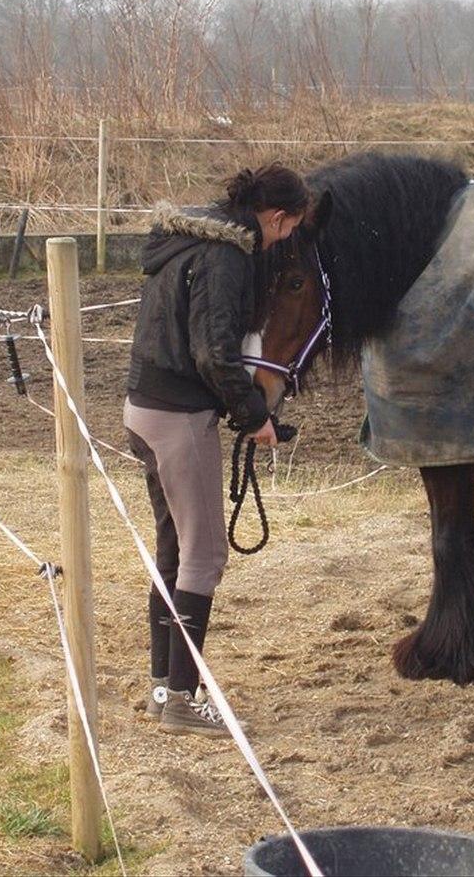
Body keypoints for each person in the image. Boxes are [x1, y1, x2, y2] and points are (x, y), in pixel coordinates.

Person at [124, 163, 309, 737]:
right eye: (286, 231)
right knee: (203, 557)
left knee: (175, 550)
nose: (281, 242)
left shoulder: (187, 240)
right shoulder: (227, 258)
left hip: (143, 409)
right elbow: (212, 351)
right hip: (180, 418)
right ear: (275, 217)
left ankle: (164, 688)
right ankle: (182, 698)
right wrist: (255, 418)